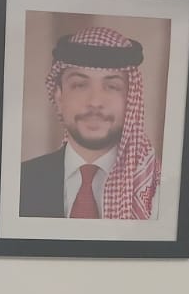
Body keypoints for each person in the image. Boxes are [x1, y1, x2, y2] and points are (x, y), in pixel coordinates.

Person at [18, 26, 160, 221]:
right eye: (79, 85)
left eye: (112, 86)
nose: (95, 101)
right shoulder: (17, 182)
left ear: (131, 99)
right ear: (59, 97)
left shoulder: (157, 189)